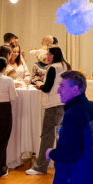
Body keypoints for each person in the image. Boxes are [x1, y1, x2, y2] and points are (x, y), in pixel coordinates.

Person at [27, 47, 70, 175]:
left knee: (47, 136)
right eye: (47, 54)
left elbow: (47, 88)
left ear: (55, 55)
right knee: (59, 136)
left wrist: (39, 84)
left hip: (53, 105)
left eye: (50, 54)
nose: (48, 56)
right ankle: (59, 164)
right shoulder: (65, 65)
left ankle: (40, 166)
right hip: (63, 103)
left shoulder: (53, 68)